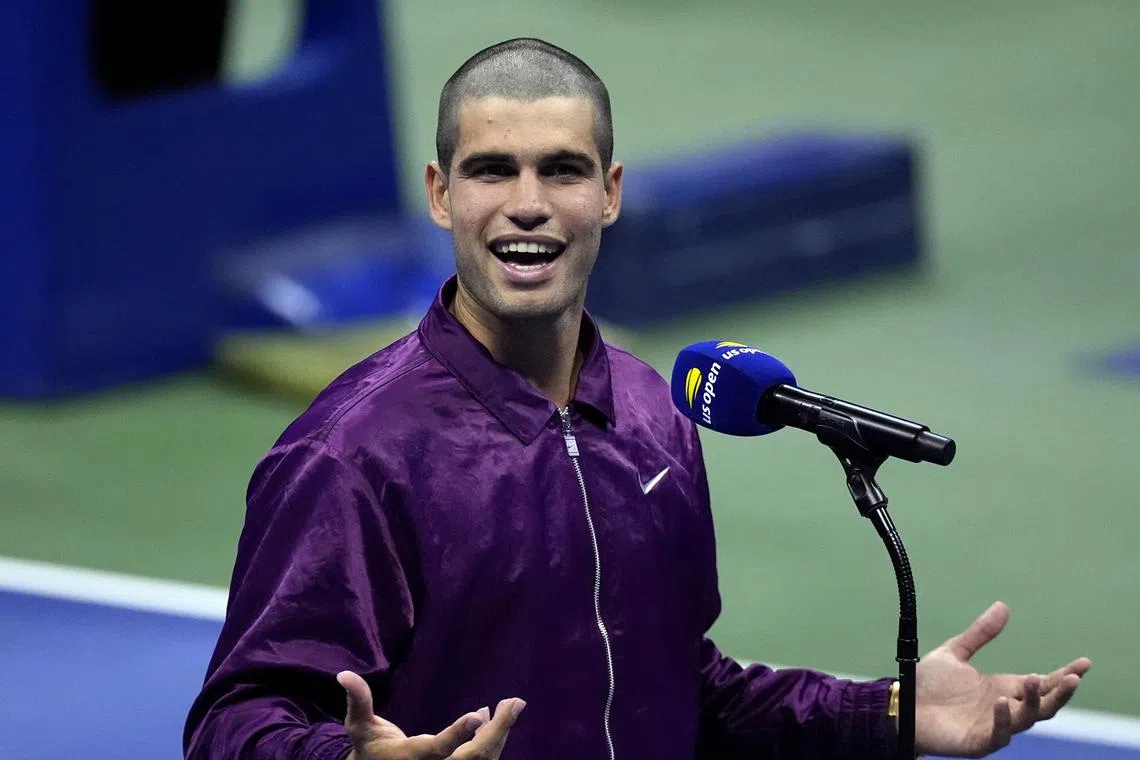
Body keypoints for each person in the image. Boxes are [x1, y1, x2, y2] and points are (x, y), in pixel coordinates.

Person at [183, 38, 1091, 760]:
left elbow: (687, 693)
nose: (528, 203)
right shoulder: (352, 455)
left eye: (563, 170)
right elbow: (235, 722)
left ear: (610, 193)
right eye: (492, 170)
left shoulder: (656, 411)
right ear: (440, 194)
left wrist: (890, 712)